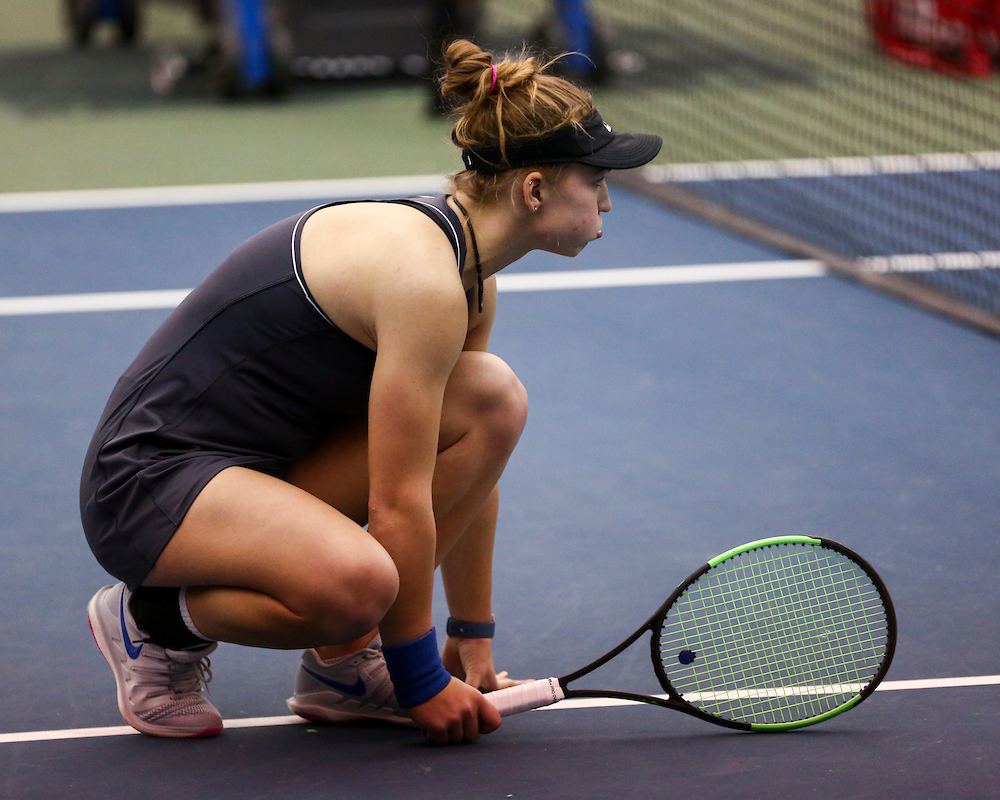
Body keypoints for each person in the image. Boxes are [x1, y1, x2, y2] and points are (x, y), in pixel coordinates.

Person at [81, 39, 661, 746]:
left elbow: (467, 465)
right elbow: (396, 506)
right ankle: (150, 624)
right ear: (533, 189)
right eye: (595, 180)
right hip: (148, 483)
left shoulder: (468, 278)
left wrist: (470, 637)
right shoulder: (423, 281)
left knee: (489, 398)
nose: (607, 198)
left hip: (260, 473)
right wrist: (420, 682)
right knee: (357, 587)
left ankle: (344, 670)